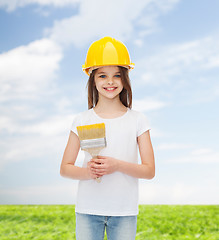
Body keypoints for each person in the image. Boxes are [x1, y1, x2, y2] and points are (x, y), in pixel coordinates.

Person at [60, 36, 155, 240]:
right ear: (92, 79)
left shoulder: (138, 120)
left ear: (125, 79)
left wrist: (117, 165)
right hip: (87, 209)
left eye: (117, 75)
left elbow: (149, 171)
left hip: (124, 211)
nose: (110, 82)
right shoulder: (82, 119)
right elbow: (65, 168)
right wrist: (89, 172)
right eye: (102, 75)